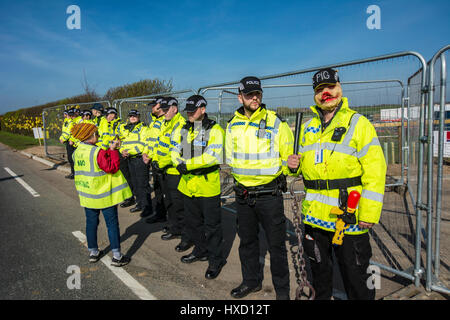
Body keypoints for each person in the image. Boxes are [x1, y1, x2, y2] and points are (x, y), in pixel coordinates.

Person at [287, 68, 387, 300]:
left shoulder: (358, 124)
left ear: (339, 88)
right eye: (320, 90)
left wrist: (370, 212)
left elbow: (375, 170)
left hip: (348, 217)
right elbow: (306, 165)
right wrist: (294, 166)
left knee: (356, 278)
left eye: (330, 87)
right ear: (315, 95)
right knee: (320, 275)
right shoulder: (309, 128)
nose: (326, 93)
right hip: (314, 217)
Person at [225, 76, 294, 300]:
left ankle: (282, 293)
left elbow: (289, 159)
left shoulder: (276, 122)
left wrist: (292, 167)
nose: (254, 98)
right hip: (243, 195)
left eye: (258, 94)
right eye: (249, 94)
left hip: (269, 195)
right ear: (240, 97)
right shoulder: (232, 124)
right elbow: (230, 157)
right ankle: (251, 282)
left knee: (276, 248)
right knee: (247, 243)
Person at [171, 95, 226, 279]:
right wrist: (177, 161)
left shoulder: (215, 129)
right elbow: (175, 150)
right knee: (193, 223)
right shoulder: (185, 128)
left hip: (207, 186)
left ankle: (215, 260)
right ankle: (200, 250)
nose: (189, 114)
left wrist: (188, 165)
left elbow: (212, 156)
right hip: (187, 185)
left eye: (193, 111)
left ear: (203, 109)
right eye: (187, 111)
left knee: (212, 227)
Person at [71, 122, 132, 267]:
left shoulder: (76, 152)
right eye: (96, 133)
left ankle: (93, 252)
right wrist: (113, 150)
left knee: (91, 223)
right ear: (90, 136)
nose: (98, 135)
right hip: (104, 195)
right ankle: (117, 256)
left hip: (87, 195)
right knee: (112, 225)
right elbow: (111, 167)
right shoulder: (97, 152)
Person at [151, 97, 192, 252]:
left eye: (166, 109)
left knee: (179, 205)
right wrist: (155, 160)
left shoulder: (180, 125)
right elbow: (160, 145)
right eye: (162, 109)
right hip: (164, 169)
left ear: (174, 109)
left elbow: (177, 151)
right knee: (170, 202)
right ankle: (174, 227)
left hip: (174, 171)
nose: (163, 112)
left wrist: (161, 163)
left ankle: (184, 234)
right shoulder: (166, 124)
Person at [119, 109, 152, 217]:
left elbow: (143, 144)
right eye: (130, 116)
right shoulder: (128, 129)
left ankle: (147, 207)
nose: (132, 118)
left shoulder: (143, 128)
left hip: (139, 158)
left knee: (143, 183)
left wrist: (129, 151)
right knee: (135, 182)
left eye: (134, 116)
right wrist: (122, 151)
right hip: (130, 159)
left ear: (138, 117)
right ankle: (139, 203)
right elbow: (123, 143)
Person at [143, 97, 168, 224]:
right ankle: (160, 214)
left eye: (153, 105)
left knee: (166, 192)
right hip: (153, 160)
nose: (151, 108)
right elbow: (150, 141)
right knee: (158, 190)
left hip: (162, 161)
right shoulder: (153, 122)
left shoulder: (165, 121)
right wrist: (146, 153)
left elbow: (161, 143)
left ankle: (169, 218)